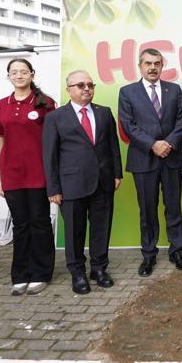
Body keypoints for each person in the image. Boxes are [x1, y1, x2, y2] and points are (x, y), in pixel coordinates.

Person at [42, 70, 122, 294]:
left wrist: (117, 174)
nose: (86, 88)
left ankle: (98, 269)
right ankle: (77, 273)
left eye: (90, 84)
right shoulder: (55, 117)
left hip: (103, 183)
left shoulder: (104, 113)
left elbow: (113, 147)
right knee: (74, 233)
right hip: (71, 186)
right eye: (80, 85)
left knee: (101, 229)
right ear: (69, 89)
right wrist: (53, 188)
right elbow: (50, 156)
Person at [118, 48, 182, 277]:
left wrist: (167, 143)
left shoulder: (174, 90)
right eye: (148, 63)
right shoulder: (127, 92)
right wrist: (153, 145)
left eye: (157, 63)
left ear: (162, 65)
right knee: (147, 211)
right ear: (140, 66)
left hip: (172, 158)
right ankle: (148, 255)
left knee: (174, 208)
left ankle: (176, 251)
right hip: (143, 159)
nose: (152, 67)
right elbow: (128, 125)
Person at [0, 58, 56, 296]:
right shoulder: (0, 106)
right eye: (14, 72)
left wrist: (53, 175)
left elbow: (53, 142)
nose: (19, 75)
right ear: (8, 76)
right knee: (20, 224)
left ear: (32, 74)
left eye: (24, 72)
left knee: (39, 222)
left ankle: (41, 272)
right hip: (11, 173)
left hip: (38, 172)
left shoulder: (45, 103)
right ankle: (21, 274)